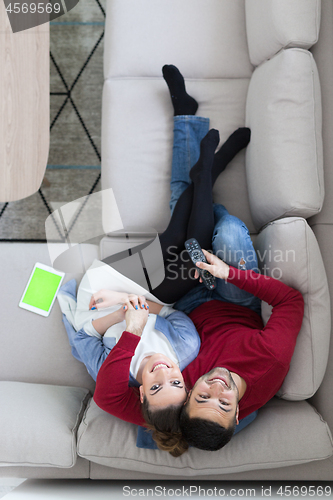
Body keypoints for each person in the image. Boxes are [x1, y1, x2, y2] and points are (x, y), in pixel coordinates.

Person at [94, 65, 304, 456]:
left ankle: (200, 158)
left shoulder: (175, 397)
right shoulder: (270, 364)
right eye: (223, 402)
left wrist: (130, 328)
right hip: (233, 295)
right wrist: (229, 273)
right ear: (239, 413)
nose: (215, 389)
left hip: (186, 301)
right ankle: (208, 179)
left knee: (185, 229)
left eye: (200, 396)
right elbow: (292, 301)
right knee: (223, 236)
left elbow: (109, 400)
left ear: (187, 400)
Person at [59, 86, 251, 456]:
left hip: (103, 289)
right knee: (184, 247)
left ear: (142, 392)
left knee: (182, 244)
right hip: (151, 294)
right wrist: (145, 307)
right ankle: (205, 170)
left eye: (157, 385)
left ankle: (207, 169)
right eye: (176, 381)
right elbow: (174, 314)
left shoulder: (114, 373)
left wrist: (120, 309)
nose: (164, 372)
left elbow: (82, 334)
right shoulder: (185, 349)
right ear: (187, 383)